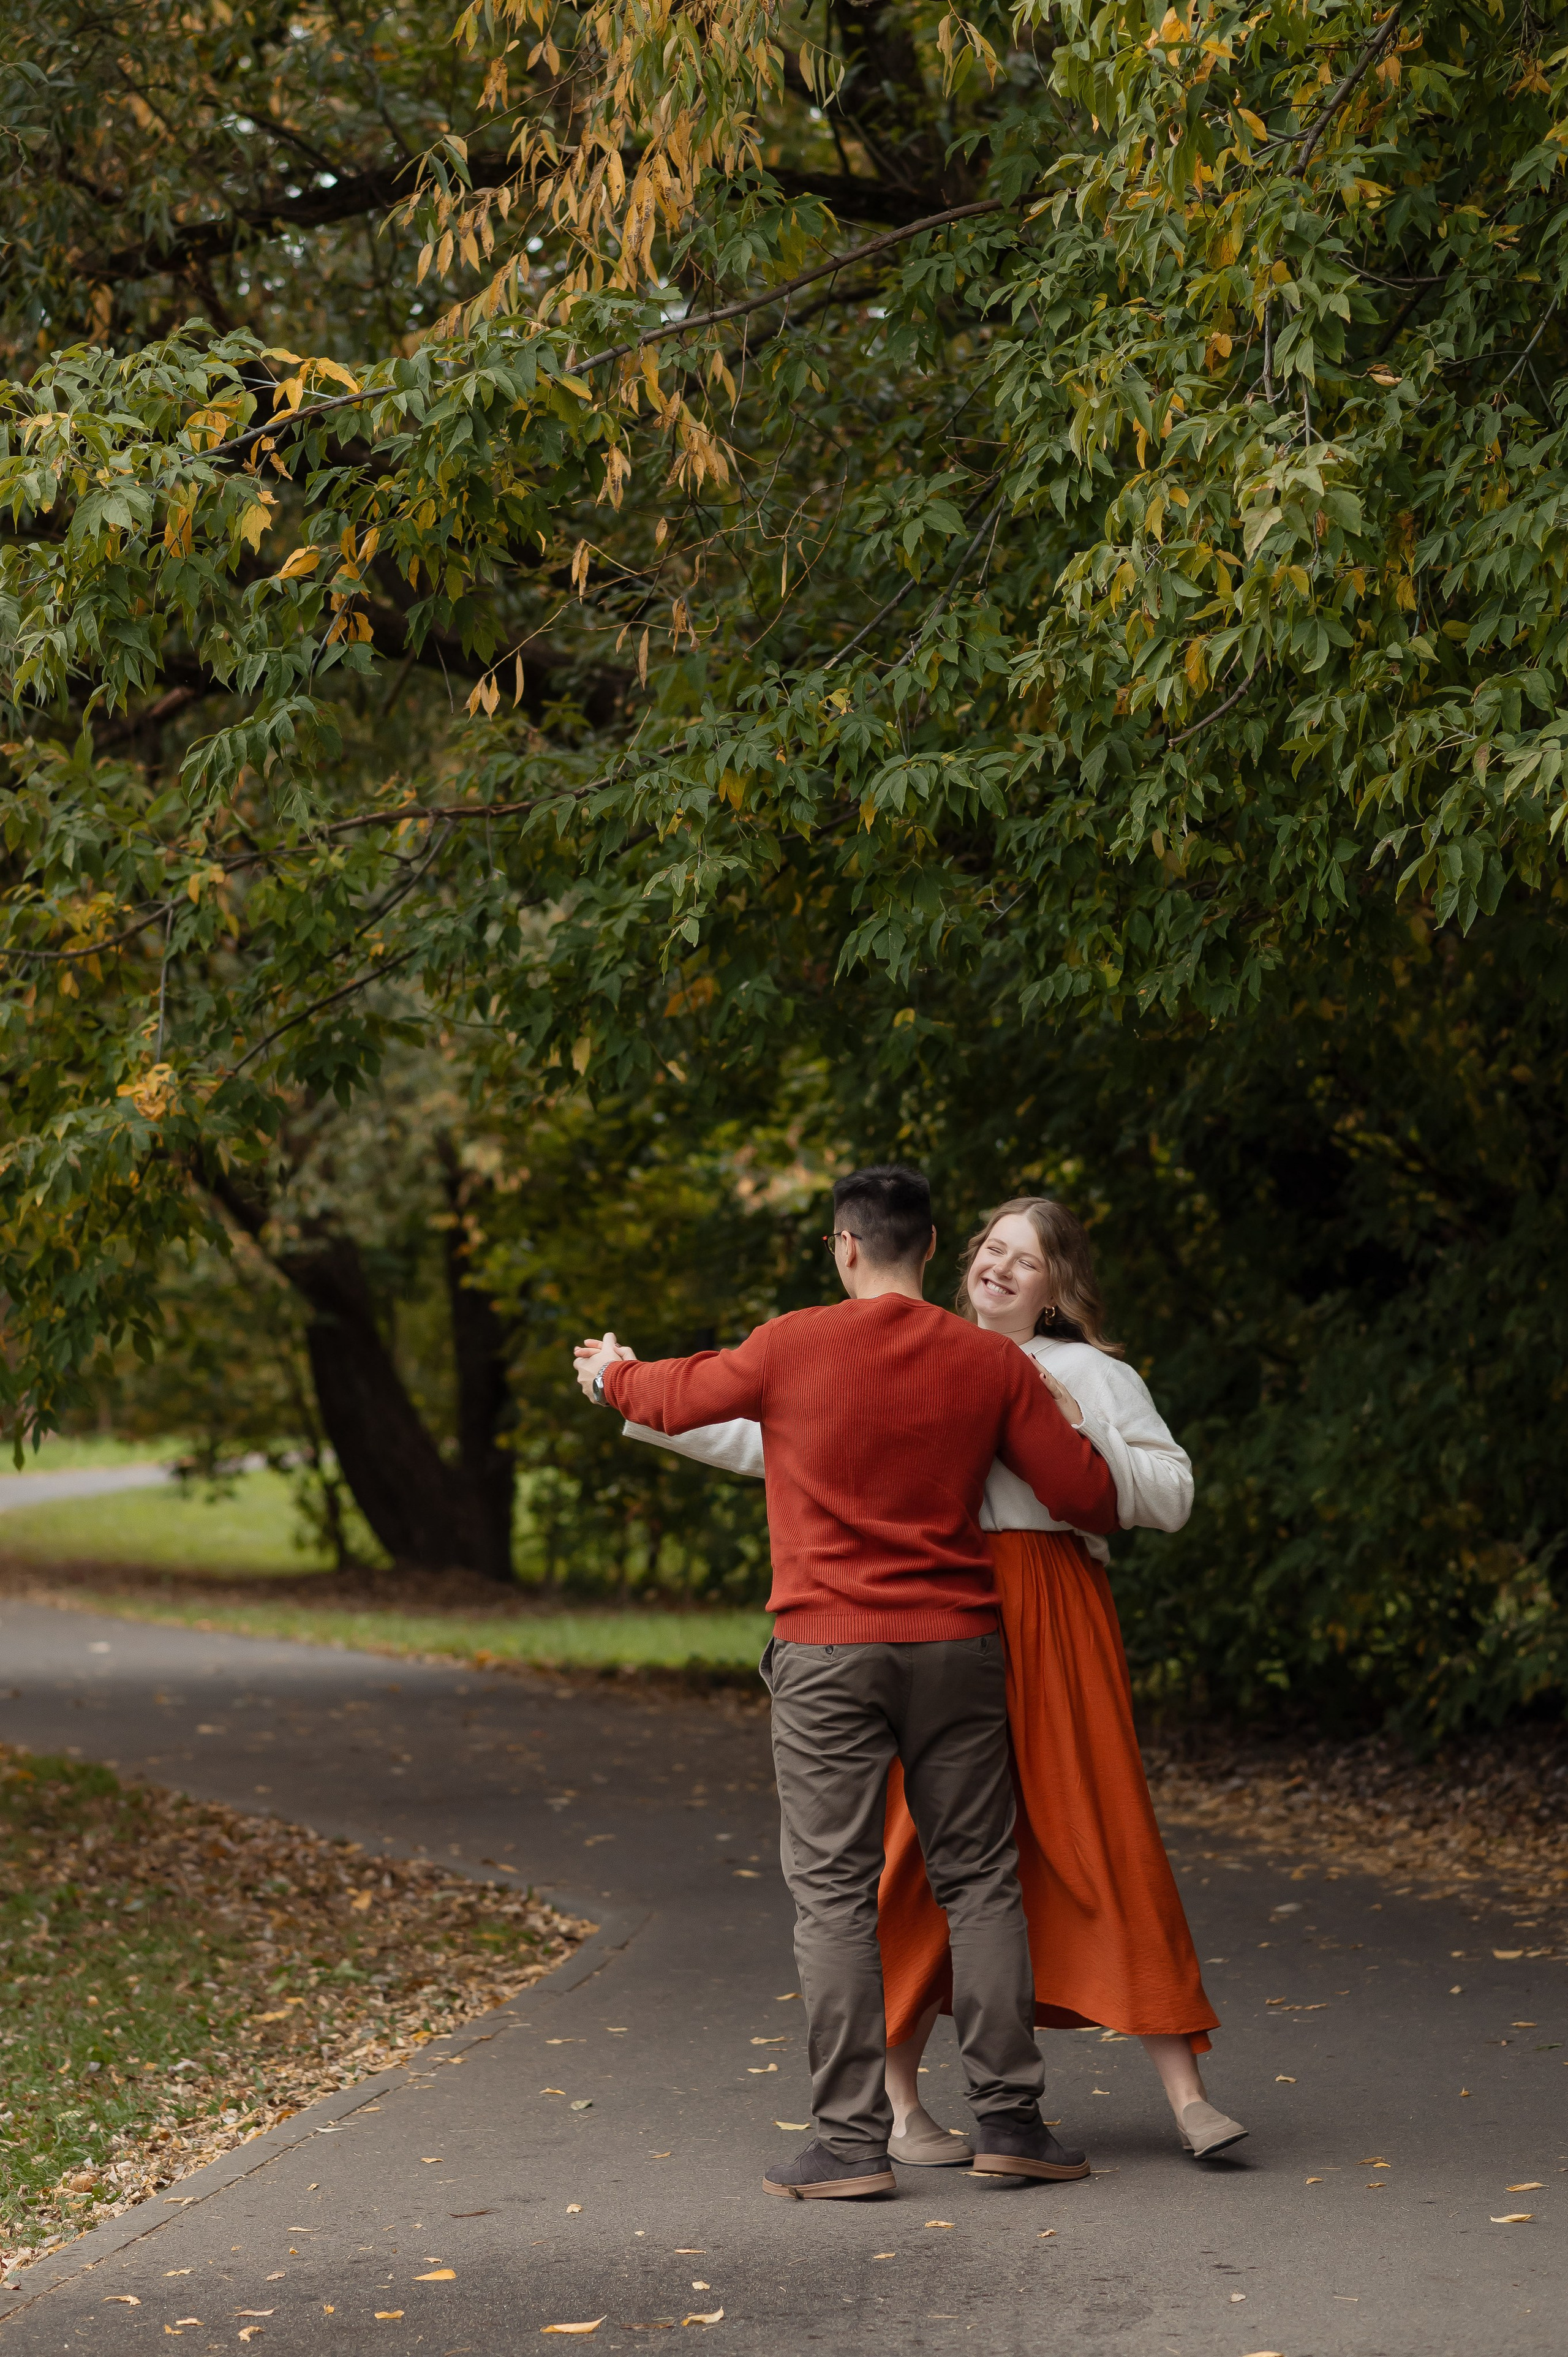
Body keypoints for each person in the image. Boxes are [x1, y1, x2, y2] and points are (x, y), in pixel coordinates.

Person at [613, 1194, 1247, 2167]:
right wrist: (644, 1407)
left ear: (1058, 1287)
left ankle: (1162, 2091)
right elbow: (774, 1435)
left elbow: (1145, 1494)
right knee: (925, 1871)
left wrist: (1085, 1426)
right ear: (954, 1255)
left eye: (1025, 1260)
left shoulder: (1071, 1370)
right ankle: (922, 2110)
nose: (1000, 1269)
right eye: (992, 1249)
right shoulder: (939, 1353)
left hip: (1024, 1618)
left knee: (1089, 1834)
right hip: (956, 1619)